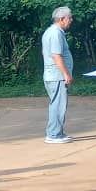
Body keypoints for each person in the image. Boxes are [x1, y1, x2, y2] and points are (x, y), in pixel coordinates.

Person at [41, 7, 74, 143]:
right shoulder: (55, 33)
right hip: (57, 76)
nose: (71, 20)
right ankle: (53, 135)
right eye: (69, 18)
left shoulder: (50, 32)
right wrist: (66, 74)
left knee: (57, 103)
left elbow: (45, 53)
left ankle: (57, 132)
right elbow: (56, 55)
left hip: (53, 75)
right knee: (58, 105)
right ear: (61, 19)